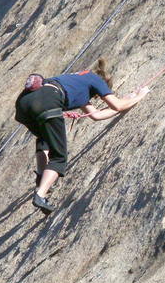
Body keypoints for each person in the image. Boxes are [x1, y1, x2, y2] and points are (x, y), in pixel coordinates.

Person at [14, 59, 149, 214]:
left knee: (45, 138)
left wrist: (126, 100)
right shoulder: (96, 80)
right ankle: (40, 195)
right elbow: (116, 105)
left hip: (23, 105)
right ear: (103, 87)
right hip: (47, 102)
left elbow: (96, 115)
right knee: (59, 157)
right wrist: (139, 96)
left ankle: (40, 177)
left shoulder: (78, 80)